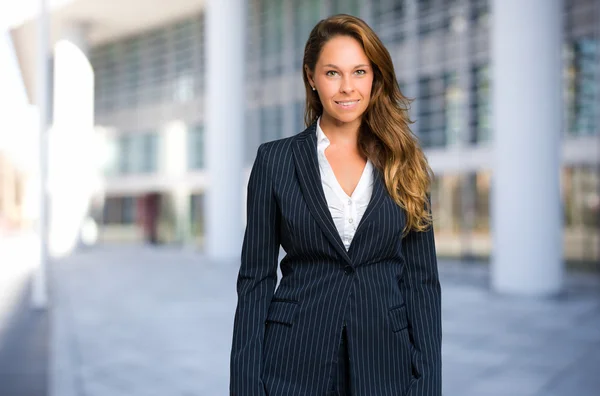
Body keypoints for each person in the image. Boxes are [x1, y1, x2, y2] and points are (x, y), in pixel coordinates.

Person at [230, 14, 441, 396]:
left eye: (359, 71)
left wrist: (428, 383)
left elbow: (422, 283)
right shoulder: (275, 161)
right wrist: (245, 386)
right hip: (293, 363)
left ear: (375, 76)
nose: (347, 87)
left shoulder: (405, 161)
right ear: (311, 77)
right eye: (332, 73)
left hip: (386, 364)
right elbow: (256, 281)